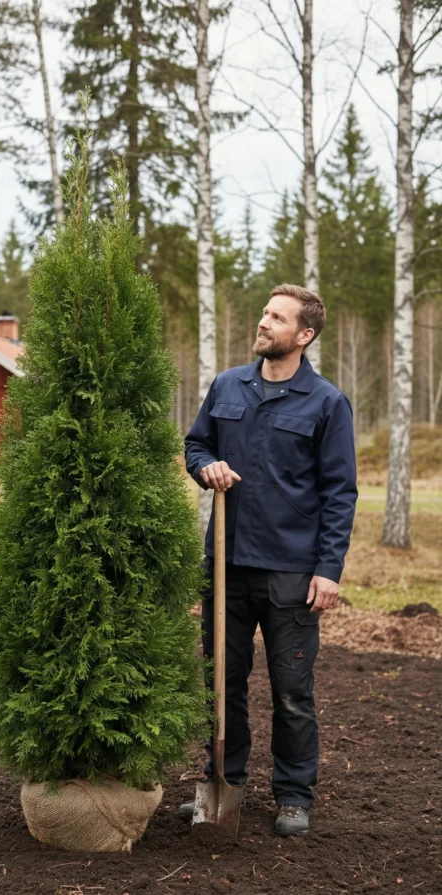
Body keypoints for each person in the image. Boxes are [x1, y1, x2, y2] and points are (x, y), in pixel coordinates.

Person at [180, 283, 358, 837]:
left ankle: (294, 796)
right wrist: (205, 467)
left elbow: (340, 492)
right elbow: (196, 445)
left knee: (292, 690)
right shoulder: (227, 386)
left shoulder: (326, 403)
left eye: (277, 318)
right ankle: (222, 781)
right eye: (264, 313)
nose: (263, 322)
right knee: (222, 683)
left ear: (304, 335)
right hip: (226, 567)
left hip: (291, 572)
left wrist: (329, 570)